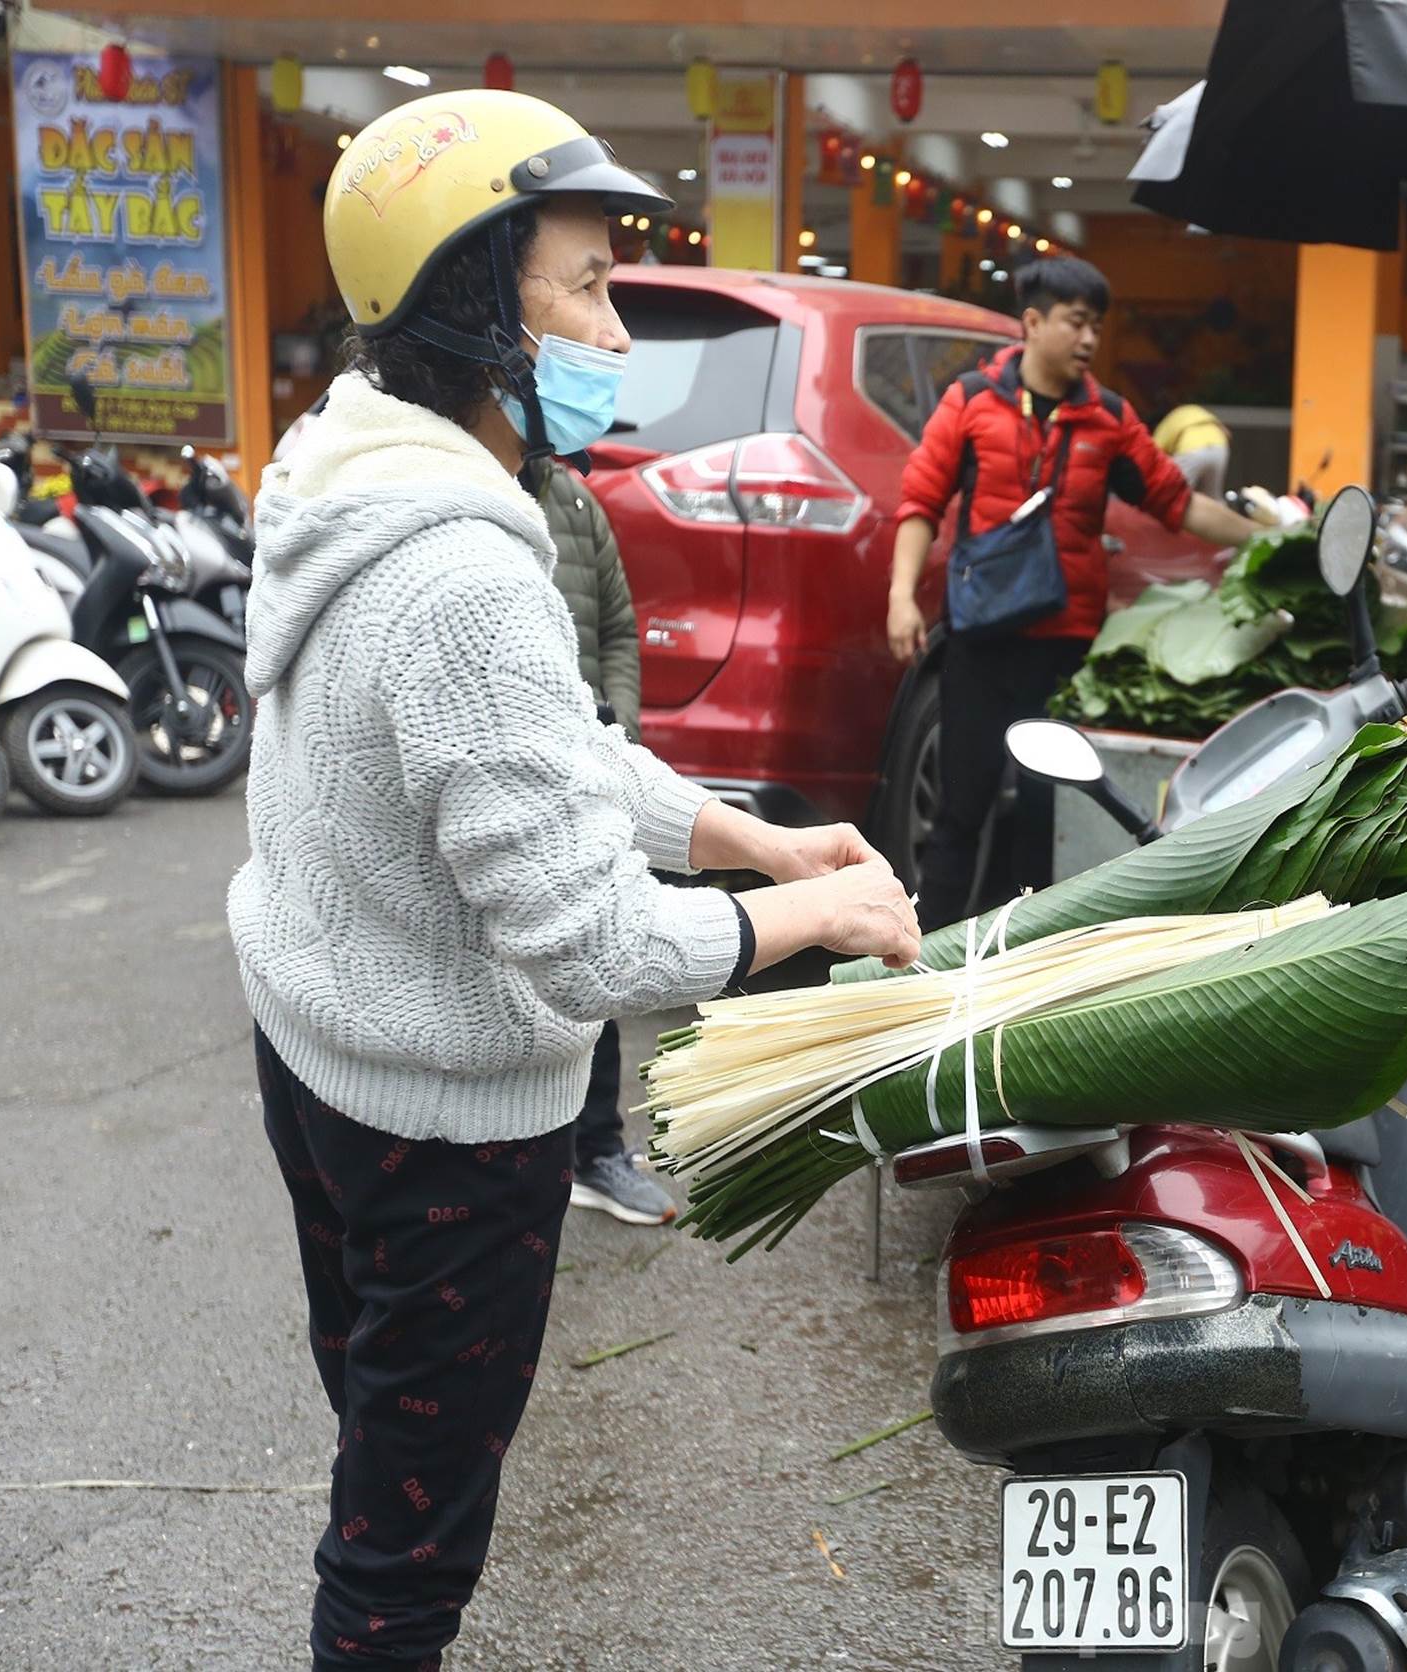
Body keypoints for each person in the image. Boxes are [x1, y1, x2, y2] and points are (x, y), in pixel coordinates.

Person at [230, 91, 919, 1670]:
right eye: (589, 284)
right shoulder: (466, 569)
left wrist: (747, 838)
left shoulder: (350, 477)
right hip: (440, 1132)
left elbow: (548, 757)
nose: (615, 323)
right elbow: (588, 943)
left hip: (323, 1053)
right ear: (476, 301)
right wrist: (816, 915)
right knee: (404, 1549)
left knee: (382, 1433)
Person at [886, 257, 1261, 928]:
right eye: (1076, 322)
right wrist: (900, 595)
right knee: (959, 810)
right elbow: (920, 499)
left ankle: (1033, 970)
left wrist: (1268, 539)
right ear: (1034, 323)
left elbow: (1177, 505)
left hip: (1065, 651)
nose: (1089, 339)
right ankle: (928, 959)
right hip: (980, 641)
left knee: (1048, 812)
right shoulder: (972, 400)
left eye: (1097, 326)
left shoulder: (1109, 418)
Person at [527, 457, 675, 1225]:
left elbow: (618, 627)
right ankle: (535, 1156)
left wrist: (618, 718)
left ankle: (597, 1150)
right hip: (518, 776)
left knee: (596, 972)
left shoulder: (577, 502)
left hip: (589, 775)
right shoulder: (466, 496)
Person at [1153, 401, 1232, 499]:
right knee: (1212, 496)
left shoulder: (1168, 420)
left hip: (1191, 448)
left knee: (1176, 496)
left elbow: (1154, 451)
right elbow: (1227, 432)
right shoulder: (1194, 409)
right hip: (1219, 445)